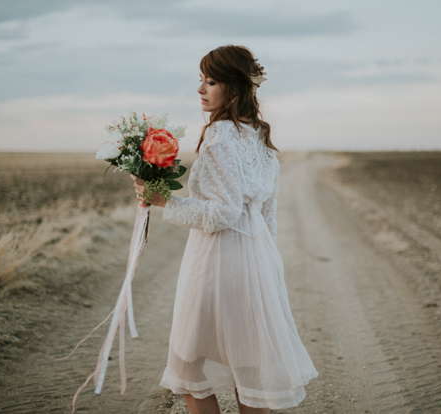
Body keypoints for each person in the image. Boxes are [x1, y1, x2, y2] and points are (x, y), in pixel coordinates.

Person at [131, 45, 317, 414]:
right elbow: (267, 212)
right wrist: (266, 265)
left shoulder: (219, 135)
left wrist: (164, 199)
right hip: (258, 257)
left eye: (211, 81)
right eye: (200, 81)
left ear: (234, 87)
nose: (201, 90)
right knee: (252, 371)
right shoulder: (259, 135)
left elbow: (222, 213)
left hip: (217, 259)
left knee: (190, 366)